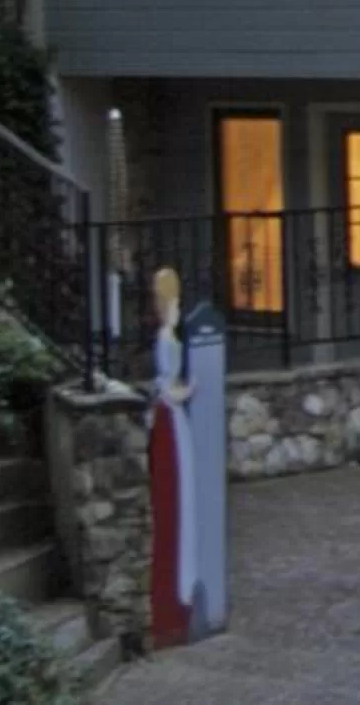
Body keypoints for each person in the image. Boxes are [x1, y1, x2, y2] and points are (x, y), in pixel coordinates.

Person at [147, 267, 205, 646]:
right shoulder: (166, 337)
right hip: (171, 416)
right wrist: (190, 389)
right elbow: (168, 388)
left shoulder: (168, 336)